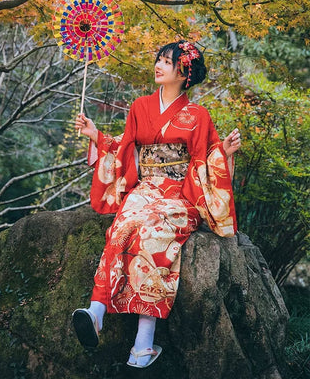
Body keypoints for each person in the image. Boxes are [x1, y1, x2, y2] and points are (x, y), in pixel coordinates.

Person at [73, 40, 241, 368]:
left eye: (167, 61)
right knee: (123, 226)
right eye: (159, 59)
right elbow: (125, 147)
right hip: (146, 187)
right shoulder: (140, 106)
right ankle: (96, 310)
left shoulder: (198, 115)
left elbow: (208, 158)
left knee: (154, 233)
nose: (159, 65)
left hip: (182, 194)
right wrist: (95, 135)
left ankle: (143, 342)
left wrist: (227, 153)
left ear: (184, 72)